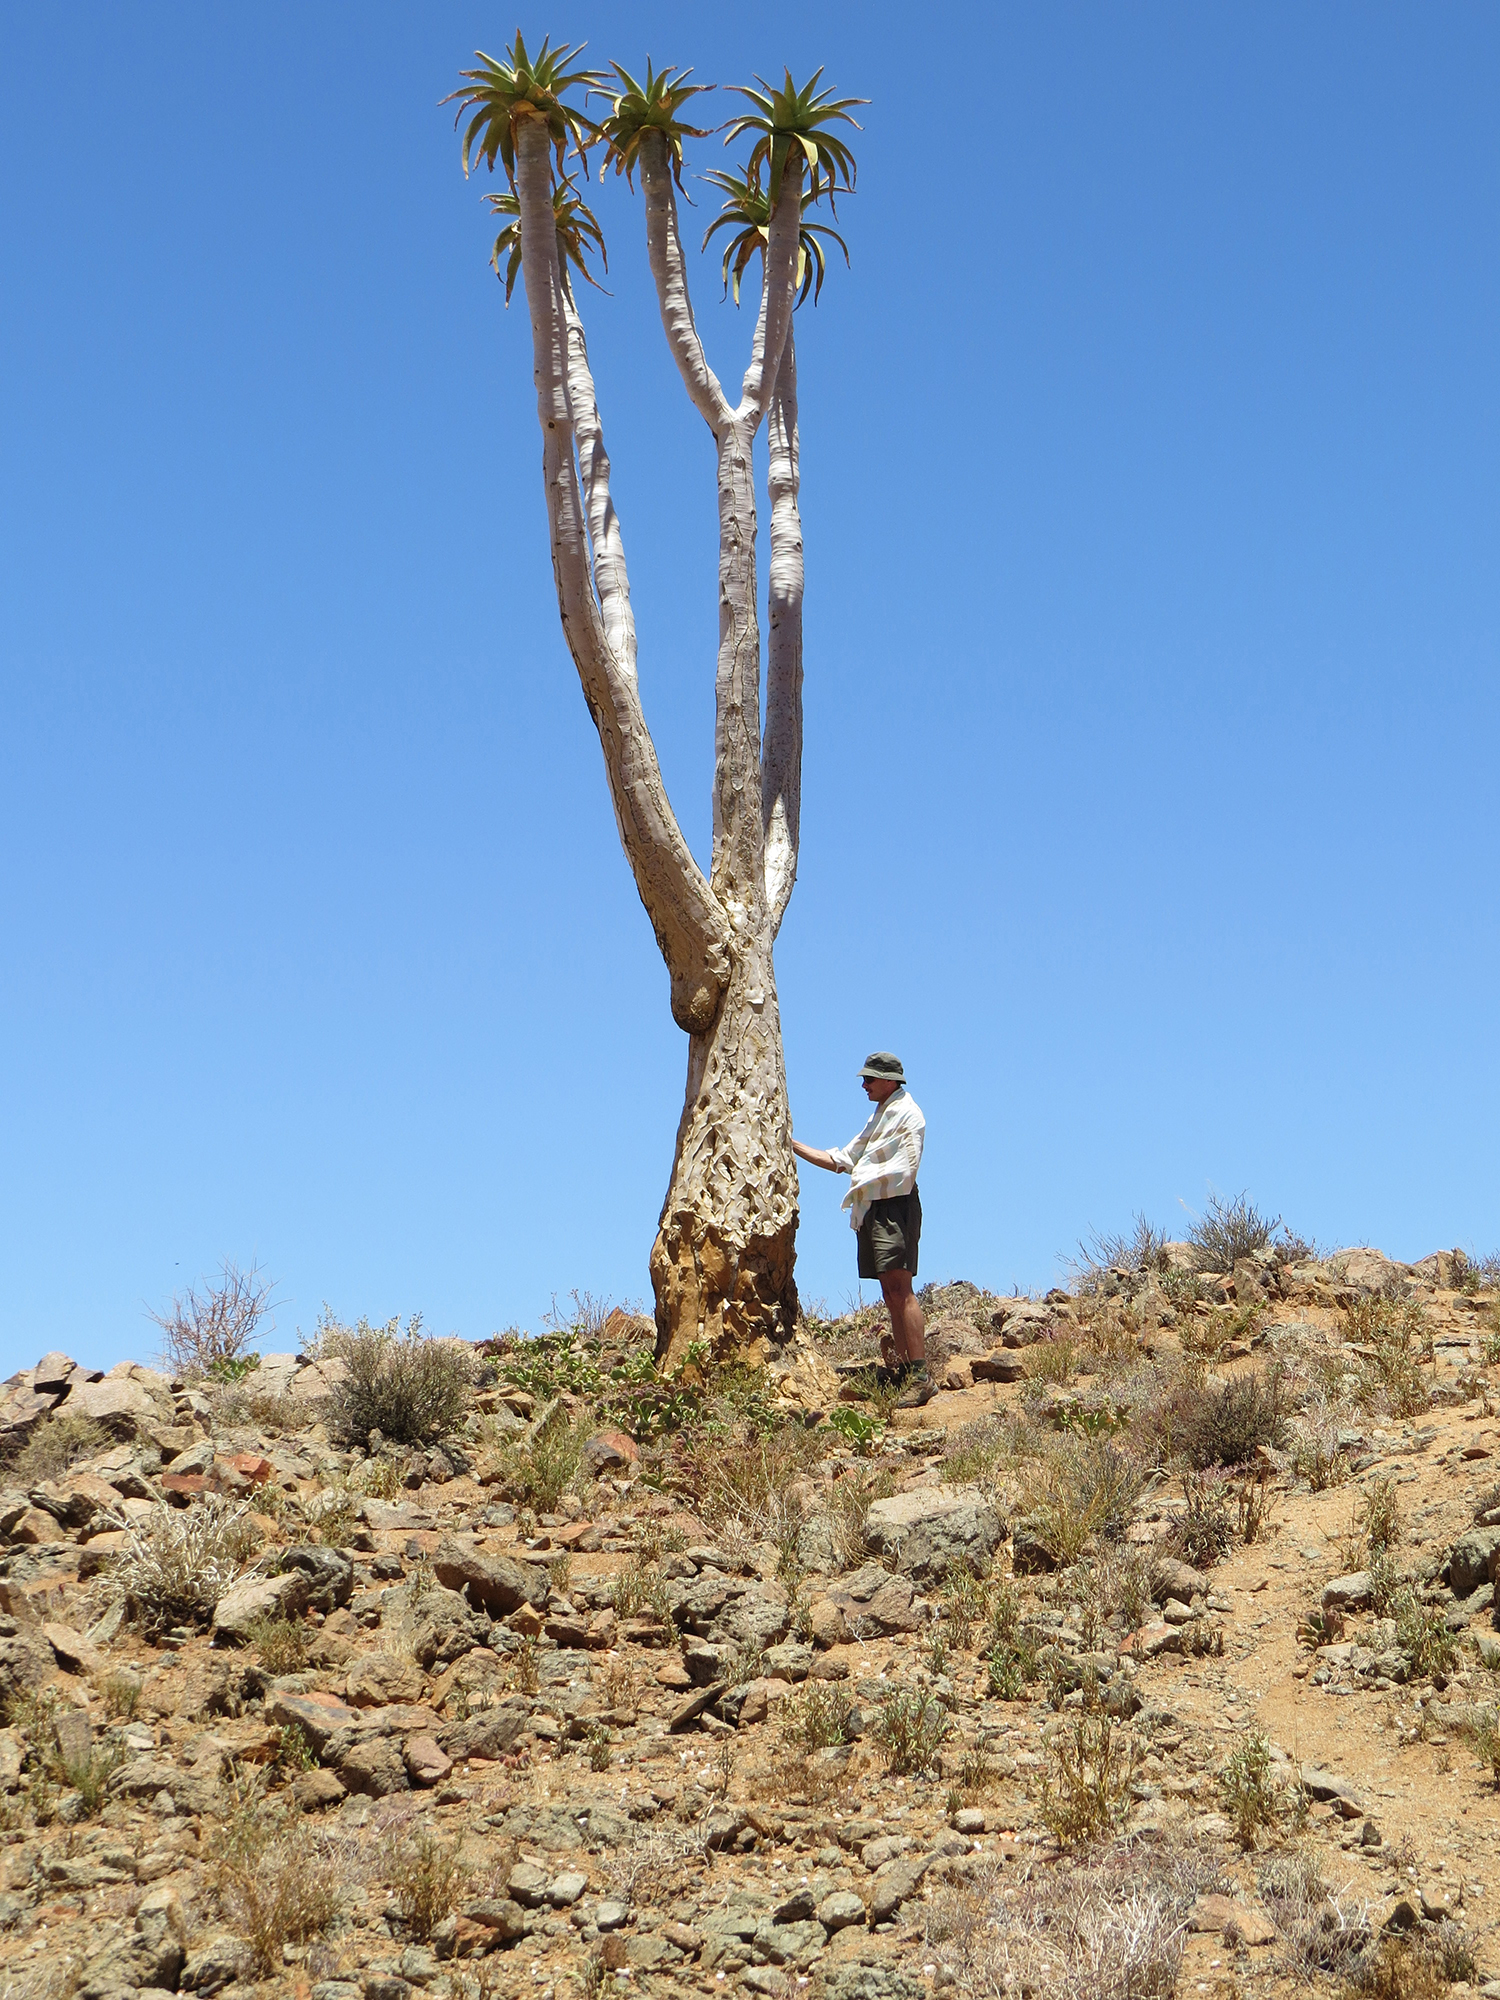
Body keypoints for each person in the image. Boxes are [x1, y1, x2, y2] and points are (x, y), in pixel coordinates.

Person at [792, 1051, 929, 1401]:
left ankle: (920, 1376)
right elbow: (844, 1160)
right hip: (876, 1207)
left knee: (901, 1288)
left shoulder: (907, 1115)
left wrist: (861, 1178)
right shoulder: (881, 1116)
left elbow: (901, 1169)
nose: (864, 1086)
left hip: (894, 1206)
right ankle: (902, 1372)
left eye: (869, 1079)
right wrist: (791, 1145)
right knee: (890, 1291)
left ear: (890, 1081)